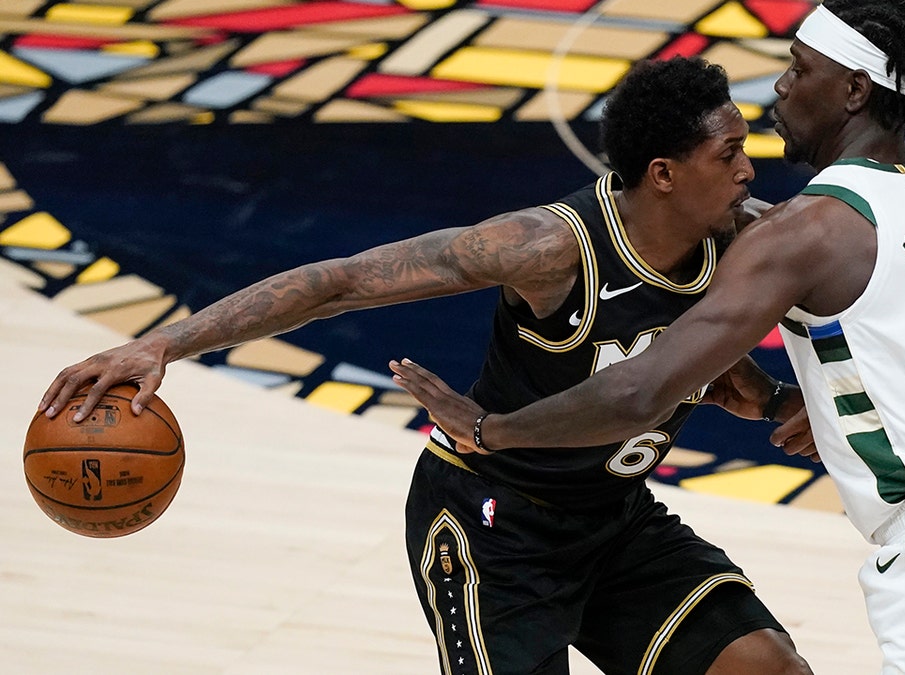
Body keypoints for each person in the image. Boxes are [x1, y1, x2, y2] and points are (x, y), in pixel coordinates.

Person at [39, 57, 813, 674]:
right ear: (664, 174)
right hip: (494, 525)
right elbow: (344, 280)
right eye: (730, 152)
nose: (751, 167)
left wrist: (791, 398)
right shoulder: (547, 247)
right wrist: (164, 343)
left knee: (767, 667)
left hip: (614, 520)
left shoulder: (752, 240)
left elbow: (868, 302)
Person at [391, 2, 905, 674]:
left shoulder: (808, 226)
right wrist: (794, 400)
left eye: (797, 68)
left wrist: (490, 429)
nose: (780, 88)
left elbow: (640, 388)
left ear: (851, 89)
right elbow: (901, 348)